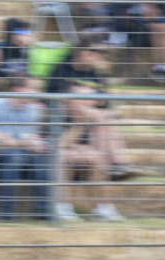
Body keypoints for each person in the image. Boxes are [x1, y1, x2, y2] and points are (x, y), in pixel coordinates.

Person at [46, 36, 138, 180]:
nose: (98, 56)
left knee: (103, 117)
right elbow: (53, 100)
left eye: (102, 53)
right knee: (100, 117)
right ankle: (116, 164)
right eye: (94, 51)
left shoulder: (94, 73)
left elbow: (104, 101)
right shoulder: (60, 70)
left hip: (89, 117)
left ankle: (116, 165)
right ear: (80, 52)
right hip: (65, 117)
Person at [0, 77, 51, 221]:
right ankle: (5, 213)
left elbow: (33, 136)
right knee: (14, 157)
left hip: (23, 152)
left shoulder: (33, 110)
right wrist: (26, 142)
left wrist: (34, 144)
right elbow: (1, 140)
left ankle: (43, 213)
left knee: (41, 159)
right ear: (18, 89)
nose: (35, 93)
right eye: (32, 88)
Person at [58, 84, 119, 221]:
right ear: (68, 100)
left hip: (81, 155)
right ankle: (63, 206)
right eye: (83, 98)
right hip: (52, 156)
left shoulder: (94, 115)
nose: (88, 102)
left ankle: (103, 208)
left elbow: (100, 147)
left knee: (98, 158)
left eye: (91, 98)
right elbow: (59, 145)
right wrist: (79, 124)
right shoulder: (56, 112)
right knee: (68, 158)